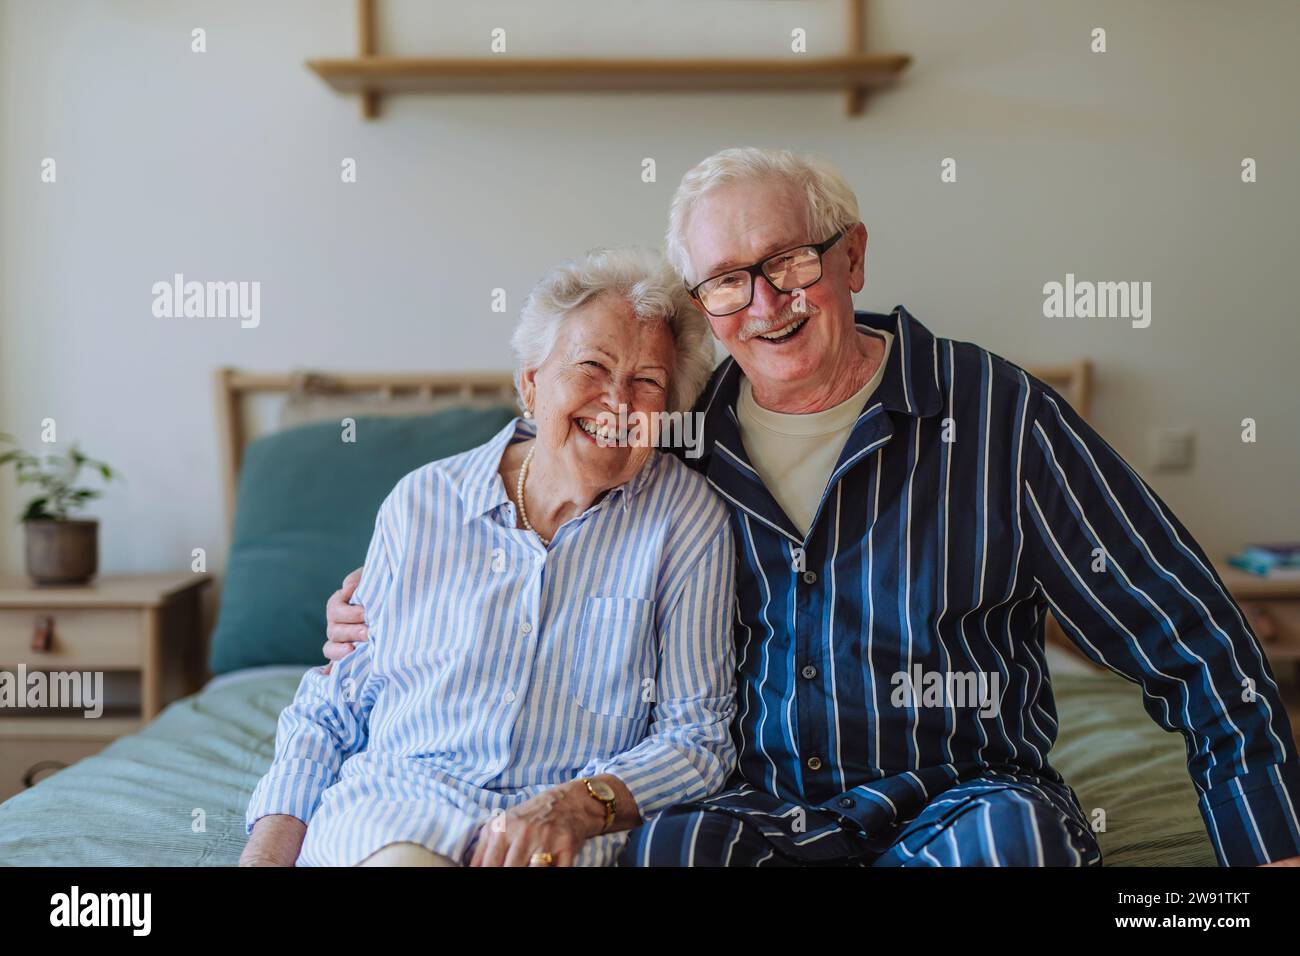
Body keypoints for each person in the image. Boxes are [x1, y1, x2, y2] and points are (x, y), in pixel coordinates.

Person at [327, 148, 1300, 867]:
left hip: (958, 796)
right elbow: (554, 504)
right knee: (653, 854)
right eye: (726, 281)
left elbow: (1193, 636)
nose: (765, 301)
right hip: (748, 811)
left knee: (1019, 845)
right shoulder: (675, 433)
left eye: (789, 260)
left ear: (851, 257)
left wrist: (1272, 850)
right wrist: (386, 599)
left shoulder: (999, 416)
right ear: (705, 304)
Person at [242, 247, 736, 867]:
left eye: (648, 382)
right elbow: (332, 710)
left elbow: (697, 739)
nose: (617, 401)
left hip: (564, 825)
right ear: (531, 383)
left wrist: (574, 807)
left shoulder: (687, 523)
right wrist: (265, 857)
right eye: (592, 366)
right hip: (402, 803)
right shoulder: (423, 503)